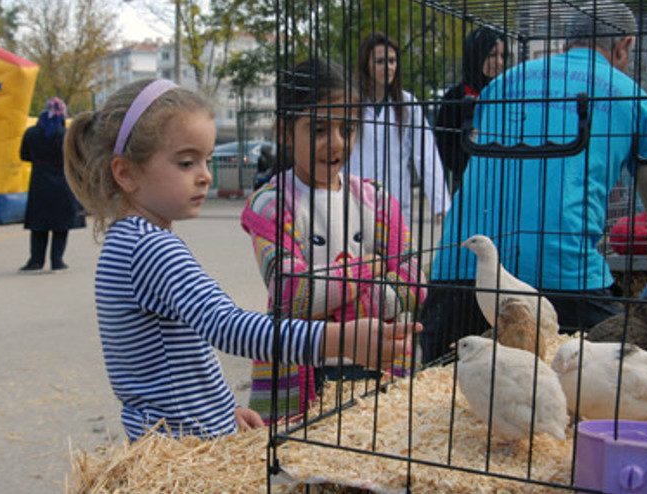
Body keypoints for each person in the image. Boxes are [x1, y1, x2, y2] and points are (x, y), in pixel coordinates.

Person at [62, 78, 421, 441]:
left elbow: (165, 368)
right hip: (181, 447)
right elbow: (230, 327)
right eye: (186, 162)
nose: (205, 175)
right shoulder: (151, 249)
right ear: (126, 173)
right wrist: (340, 339)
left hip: (171, 437)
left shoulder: (128, 241)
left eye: (205, 159)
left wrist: (223, 409)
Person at [419, 0, 647, 363]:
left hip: (460, 275)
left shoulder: (501, 84)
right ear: (624, 46)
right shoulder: (635, 99)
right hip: (564, 283)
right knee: (612, 381)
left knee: (440, 393)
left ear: (563, 46)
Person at [241, 59, 423, 422]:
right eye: (320, 128)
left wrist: (329, 304)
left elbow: (413, 278)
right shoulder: (271, 204)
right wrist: (370, 267)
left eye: (348, 128)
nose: (336, 143)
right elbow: (292, 292)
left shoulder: (378, 199)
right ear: (285, 131)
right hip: (301, 367)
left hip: (377, 363)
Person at [349, 32, 451, 226]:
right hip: (355, 201)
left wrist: (441, 204)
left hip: (395, 202)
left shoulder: (407, 105)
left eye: (392, 61)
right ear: (366, 65)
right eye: (380, 61)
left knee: (397, 254)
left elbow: (426, 154)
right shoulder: (350, 103)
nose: (388, 67)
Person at [435, 27, 508, 193]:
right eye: (491, 55)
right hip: (466, 182)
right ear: (476, 55)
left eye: (502, 56)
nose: (499, 62)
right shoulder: (455, 96)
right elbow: (444, 144)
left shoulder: (508, 93)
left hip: (502, 181)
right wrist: (468, 164)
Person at [18, 97, 85, 273]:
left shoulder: (31, 133)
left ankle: (35, 260)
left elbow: (23, 155)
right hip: (63, 182)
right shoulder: (66, 135)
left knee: (39, 223)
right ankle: (57, 260)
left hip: (39, 181)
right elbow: (78, 157)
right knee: (61, 224)